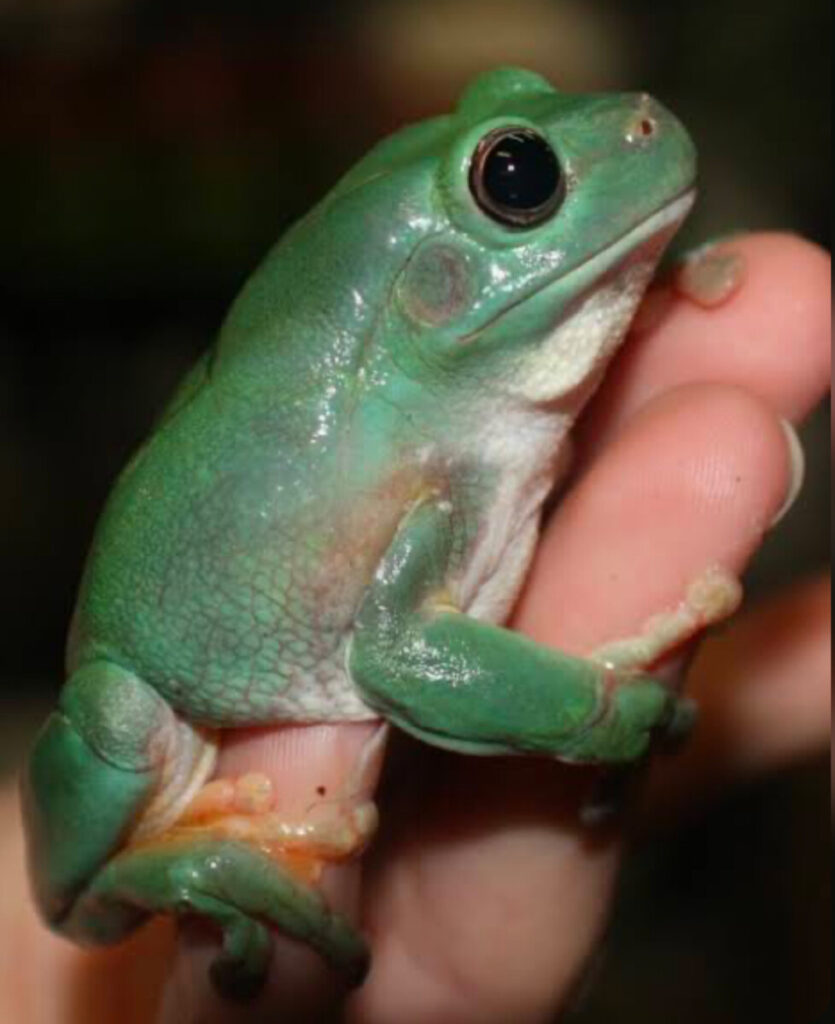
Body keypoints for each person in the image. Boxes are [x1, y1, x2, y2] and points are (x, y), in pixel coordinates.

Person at [1, 233, 830, 1024]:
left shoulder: (465, 420)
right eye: (515, 180)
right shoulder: (429, 457)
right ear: (436, 281)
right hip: (155, 694)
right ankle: (129, 868)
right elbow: (398, 654)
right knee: (113, 717)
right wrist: (597, 712)